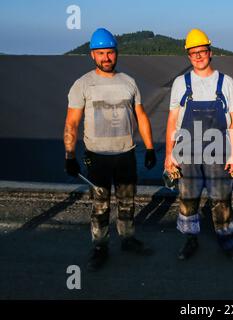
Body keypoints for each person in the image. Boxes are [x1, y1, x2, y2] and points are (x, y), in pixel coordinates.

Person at [64, 28, 157, 271]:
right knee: (100, 205)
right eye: (101, 53)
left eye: (110, 53)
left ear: (117, 54)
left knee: (127, 201)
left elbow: (141, 115)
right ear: (92, 55)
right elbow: (72, 122)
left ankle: (127, 238)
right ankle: (100, 246)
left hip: (125, 153)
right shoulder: (82, 84)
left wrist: (149, 148)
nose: (106, 58)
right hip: (97, 156)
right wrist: (70, 155)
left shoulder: (129, 82)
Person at [164, 28, 233, 261]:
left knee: (221, 198)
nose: (198, 56)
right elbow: (172, 121)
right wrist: (170, 155)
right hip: (186, 151)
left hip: (218, 151)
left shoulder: (225, 82)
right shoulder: (181, 83)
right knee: (188, 199)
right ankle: (190, 240)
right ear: (188, 55)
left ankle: (227, 241)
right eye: (193, 53)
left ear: (210, 52)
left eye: (202, 51)